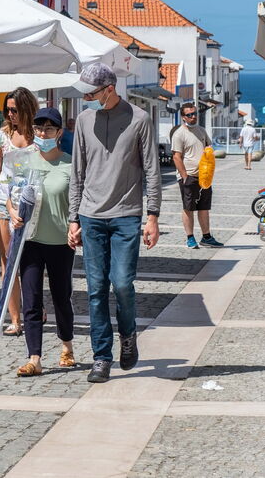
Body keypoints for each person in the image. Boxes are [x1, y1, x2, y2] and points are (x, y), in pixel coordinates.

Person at [68, 63, 161, 383]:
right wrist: (73, 217)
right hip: (91, 217)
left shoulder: (139, 119)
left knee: (121, 284)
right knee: (95, 290)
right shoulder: (83, 120)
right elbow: (77, 171)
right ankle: (101, 357)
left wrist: (153, 216)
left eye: (91, 93)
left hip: (126, 215)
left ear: (109, 89)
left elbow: (152, 170)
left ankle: (129, 334)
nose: (87, 99)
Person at [10, 108, 76, 376]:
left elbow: (78, 203)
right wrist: (13, 212)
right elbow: (11, 194)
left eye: (49, 129)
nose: (43, 133)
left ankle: (67, 346)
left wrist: (76, 226)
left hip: (60, 241)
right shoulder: (24, 161)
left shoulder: (70, 165)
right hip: (31, 239)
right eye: (39, 128)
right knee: (32, 298)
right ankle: (34, 357)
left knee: (61, 297)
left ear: (59, 133)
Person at [0, 87, 38, 336]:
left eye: (14, 110)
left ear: (26, 109)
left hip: (34, 203)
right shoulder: (2, 136)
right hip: (5, 202)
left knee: (33, 261)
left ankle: (34, 309)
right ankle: (15, 318)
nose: (10, 114)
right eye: (8, 110)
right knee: (8, 261)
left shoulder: (40, 135)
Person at [171, 103, 223, 249]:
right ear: (183, 117)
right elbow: (176, 157)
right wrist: (184, 176)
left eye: (194, 114)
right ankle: (190, 237)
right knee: (188, 208)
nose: (193, 116)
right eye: (189, 115)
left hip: (204, 176)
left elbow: (208, 147)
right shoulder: (179, 134)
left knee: (204, 207)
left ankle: (206, 237)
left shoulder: (201, 130)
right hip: (189, 176)